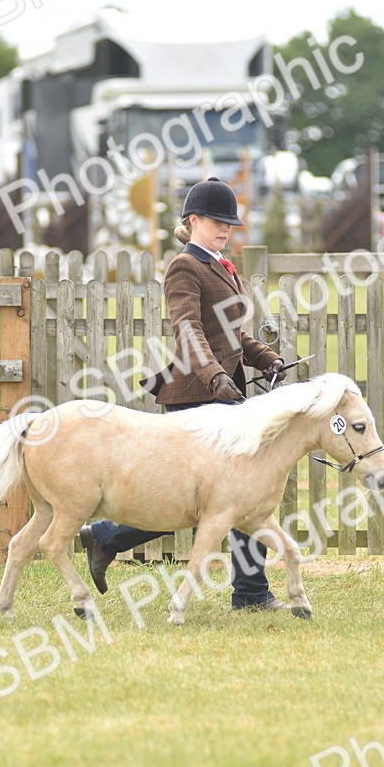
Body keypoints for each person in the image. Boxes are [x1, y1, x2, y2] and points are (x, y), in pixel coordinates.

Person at [79, 177, 290, 611]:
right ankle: (106, 536)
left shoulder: (222, 266)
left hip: (223, 395)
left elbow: (232, 334)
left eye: (230, 222)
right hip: (195, 394)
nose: (226, 229)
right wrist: (215, 378)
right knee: (200, 501)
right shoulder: (184, 266)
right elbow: (188, 330)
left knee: (237, 496)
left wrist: (266, 357)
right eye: (217, 221)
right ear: (193, 221)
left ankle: (249, 592)